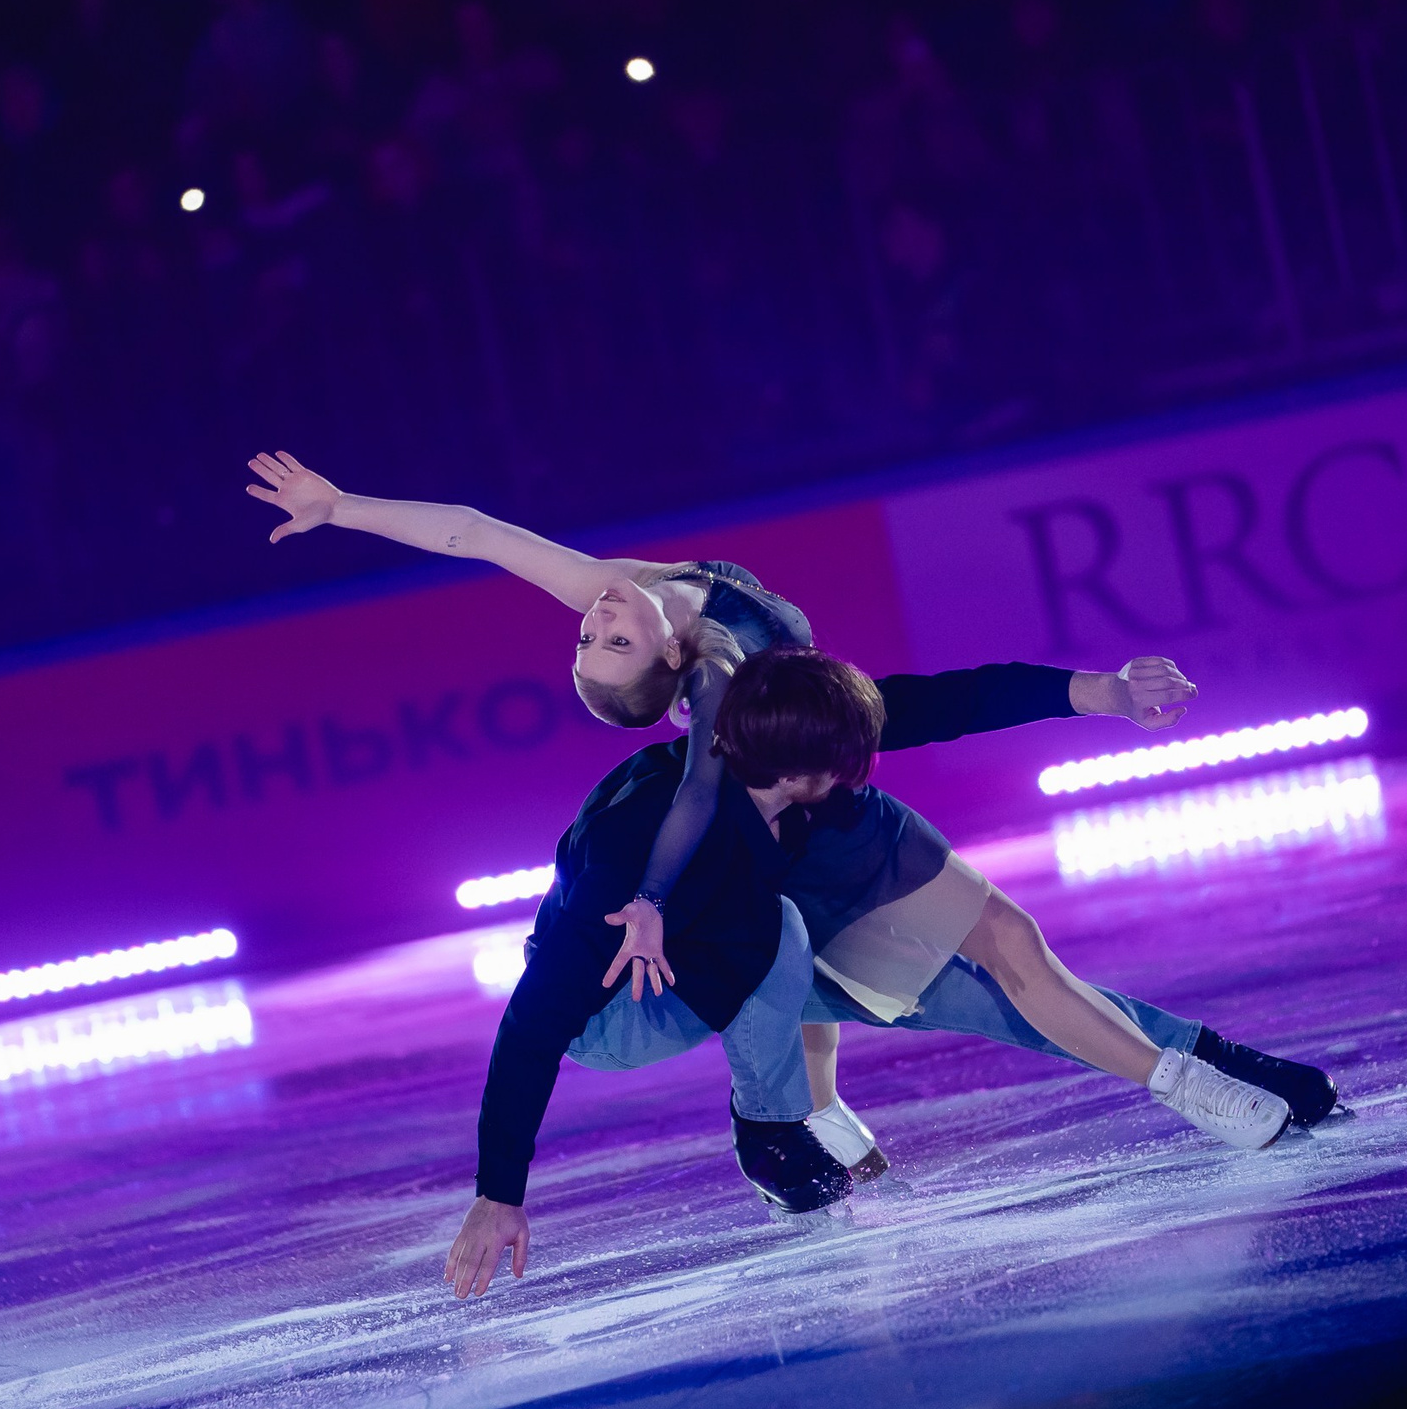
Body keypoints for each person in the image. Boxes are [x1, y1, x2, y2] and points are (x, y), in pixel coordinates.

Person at [244, 452, 1294, 1210]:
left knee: (999, 959)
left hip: (824, 819)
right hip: (795, 844)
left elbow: (472, 532)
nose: (599, 609)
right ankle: (1192, 1081)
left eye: (592, 632)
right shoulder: (715, 695)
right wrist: (650, 901)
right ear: (671, 681)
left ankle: (838, 1108)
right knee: (953, 985)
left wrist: (339, 508)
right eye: (608, 635)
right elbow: (709, 791)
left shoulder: (632, 597)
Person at [448, 647, 1337, 1299]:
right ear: (806, 776)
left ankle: (1212, 1062)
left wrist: (1099, 692)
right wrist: (499, 1193)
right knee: (778, 930)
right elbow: (532, 1022)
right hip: (624, 1001)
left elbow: (945, 698)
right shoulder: (629, 844)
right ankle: (774, 1129)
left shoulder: (773, 729)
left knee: (977, 986)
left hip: (746, 942)